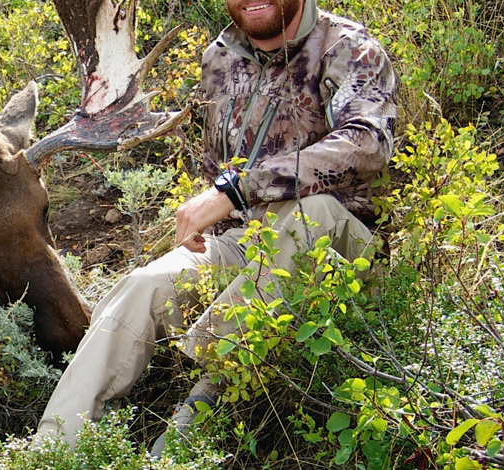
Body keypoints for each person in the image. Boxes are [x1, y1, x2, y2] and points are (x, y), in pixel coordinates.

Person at [35, 0, 397, 455]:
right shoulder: (220, 58)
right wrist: (212, 216)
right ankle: (51, 451)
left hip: (342, 253)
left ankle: (184, 441)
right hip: (246, 242)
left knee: (312, 214)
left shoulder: (346, 47)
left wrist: (235, 189)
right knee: (142, 287)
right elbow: (216, 167)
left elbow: (368, 142)